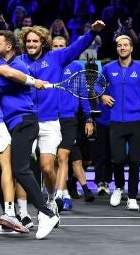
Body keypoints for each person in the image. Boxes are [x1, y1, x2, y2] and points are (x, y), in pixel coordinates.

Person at [0, 30, 59, 239]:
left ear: (9, 47)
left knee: (20, 169)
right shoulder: (0, 64)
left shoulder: (16, 66)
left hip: (24, 122)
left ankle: (48, 213)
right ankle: (10, 219)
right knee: (13, 170)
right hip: (13, 125)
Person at [18, 20, 105, 212]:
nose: (31, 44)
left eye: (35, 41)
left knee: (49, 167)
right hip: (26, 120)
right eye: (28, 41)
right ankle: (21, 212)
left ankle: (53, 197)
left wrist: (91, 32)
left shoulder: (56, 58)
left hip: (51, 121)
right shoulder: (19, 61)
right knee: (21, 167)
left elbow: (77, 47)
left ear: (42, 43)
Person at [101, 35, 140, 210]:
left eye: (126, 45)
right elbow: (96, 86)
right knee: (117, 160)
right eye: (119, 45)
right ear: (117, 48)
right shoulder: (108, 68)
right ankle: (118, 188)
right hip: (116, 122)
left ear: (132, 48)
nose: (123, 48)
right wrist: (102, 95)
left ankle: (132, 197)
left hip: (135, 121)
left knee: (134, 160)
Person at [52, 36, 94, 210]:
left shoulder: (77, 67)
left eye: (62, 46)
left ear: (68, 47)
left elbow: (83, 95)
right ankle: (63, 194)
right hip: (50, 119)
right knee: (54, 160)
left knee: (64, 157)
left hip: (69, 120)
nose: (59, 49)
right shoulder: (49, 66)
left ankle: (62, 195)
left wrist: (89, 118)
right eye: (56, 46)